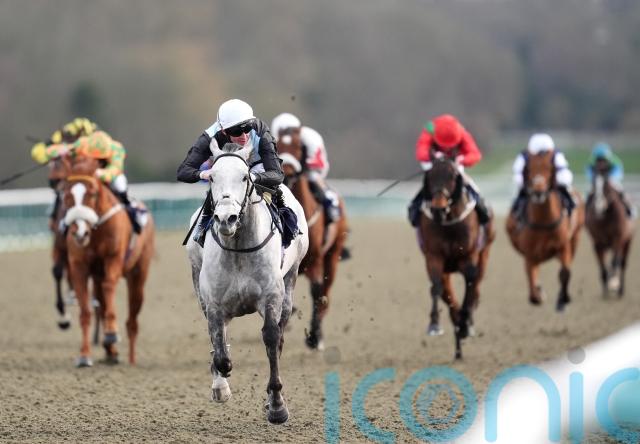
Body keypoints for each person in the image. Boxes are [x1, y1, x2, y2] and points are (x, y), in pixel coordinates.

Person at [177, 99, 285, 245]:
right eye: (236, 131)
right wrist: (203, 174)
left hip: (257, 168)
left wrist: (252, 177)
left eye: (247, 128)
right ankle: (203, 226)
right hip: (226, 172)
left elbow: (277, 175)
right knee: (219, 184)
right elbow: (183, 172)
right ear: (223, 130)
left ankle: (288, 228)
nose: (244, 136)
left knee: (277, 191)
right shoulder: (209, 137)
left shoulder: (261, 133)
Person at [48, 130, 147, 233]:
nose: (97, 160)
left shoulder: (117, 149)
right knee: (73, 189)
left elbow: (115, 169)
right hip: (88, 173)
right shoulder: (82, 143)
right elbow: (53, 151)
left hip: (108, 173)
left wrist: (100, 173)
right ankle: (64, 218)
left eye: (100, 158)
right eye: (93, 157)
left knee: (120, 185)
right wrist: (60, 151)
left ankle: (132, 210)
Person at [408, 113, 491, 227]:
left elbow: (475, 154)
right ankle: (415, 207)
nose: (447, 148)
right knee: (430, 181)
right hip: (434, 164)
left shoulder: (461, 131)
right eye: (443, 145)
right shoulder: (430, 128)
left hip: (454, 164)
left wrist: (463, 159)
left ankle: (481, 205)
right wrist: (433, 156)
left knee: (467, 182)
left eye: (450, 145)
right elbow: (421, 151)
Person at [270, 112, 341, 223]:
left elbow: (317, 164)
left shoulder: (311, 139)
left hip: (307, 170)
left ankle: (330, 203)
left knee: (314, 177)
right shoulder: (273, 139)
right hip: (282, 170)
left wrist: (301, 171)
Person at [31, 118, 98, 226]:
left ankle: (126, 205)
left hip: (91, 176)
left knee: (118, 185)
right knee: (62, 192)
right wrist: (50, 144)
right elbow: (39, 154)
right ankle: (57, 219)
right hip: (69, 179)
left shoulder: (90, 142)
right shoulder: (63, 145)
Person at [510, 133, 576, 218]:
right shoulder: (526, 156)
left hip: (552, 185)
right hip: (530, 185)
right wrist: (522, 182)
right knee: (519, 198)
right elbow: (518, 171)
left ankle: (570, 207)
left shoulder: (555, 155)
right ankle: (517, 212)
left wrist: (561, 181)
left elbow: (563, 171)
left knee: (565, 194)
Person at [586, 142, 635, 218]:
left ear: (607, 160)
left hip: (611, 180)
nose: (601, 163)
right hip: (598, 181)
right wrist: (595, 179)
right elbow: (589, 174)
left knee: (620, 190)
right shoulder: (591, 164)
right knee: (589, 193)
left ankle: (629, 209)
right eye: (599, 160)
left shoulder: (615, 162)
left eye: (603, 160)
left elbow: (618, 173)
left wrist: (611, 178)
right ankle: (585, 211)